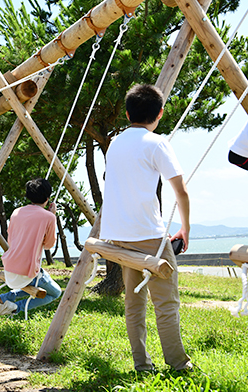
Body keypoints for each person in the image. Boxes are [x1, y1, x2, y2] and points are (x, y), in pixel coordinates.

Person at [100, 84, 192, 372]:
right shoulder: (156, 143)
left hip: (119, 236)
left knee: (134, 302)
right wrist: (185, 228)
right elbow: (181, 191)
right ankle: (178, 364)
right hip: (149, 234)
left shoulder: (114, 143)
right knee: (166, 303)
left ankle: (142, 364)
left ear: (127, 113)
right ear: (160, 113)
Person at [0, 178, 62, 316]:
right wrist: (52, 216)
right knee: (55, 292)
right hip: (27, 270)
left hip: (9, 265)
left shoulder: (17, 212)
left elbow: (11, 238)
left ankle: (2, 298)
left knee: (38, 285)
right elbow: (48, 245)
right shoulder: (49, 217)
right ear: (48, 198)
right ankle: (16, 307)